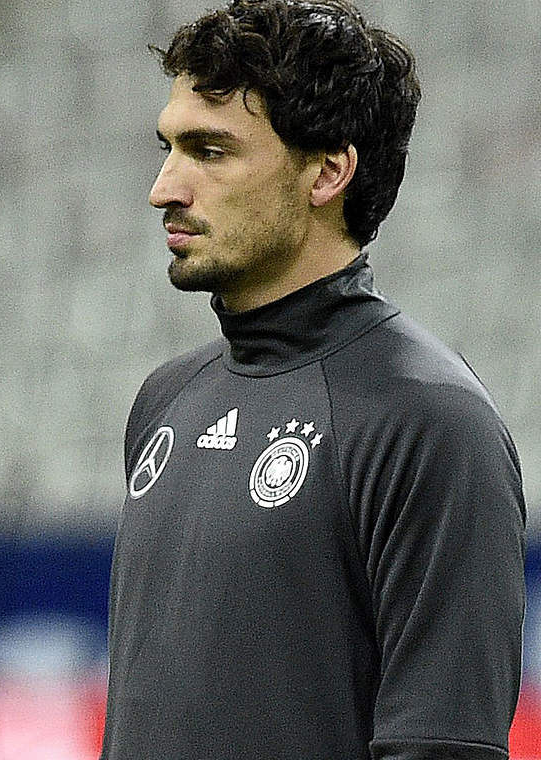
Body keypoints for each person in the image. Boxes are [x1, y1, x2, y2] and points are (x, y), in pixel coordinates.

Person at [102, 2, 525, 759]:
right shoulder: (164, 402)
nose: (164, 188)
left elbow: (443, 747)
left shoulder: (430, 424)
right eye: (168, 148)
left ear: (328, 170)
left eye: (209, 151)